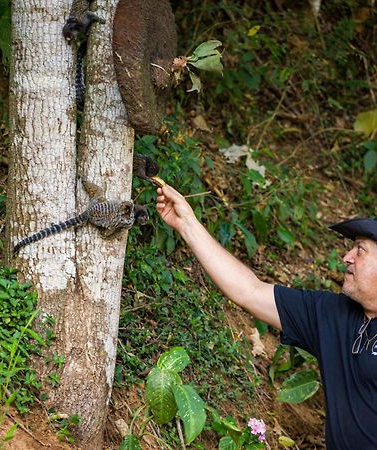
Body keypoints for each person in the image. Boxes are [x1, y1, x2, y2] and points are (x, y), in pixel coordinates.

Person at [155, 184, 377, 450]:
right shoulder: (332, 313)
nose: (346, 257)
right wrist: (187, 224)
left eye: (360, 250)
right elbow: (250, 291)